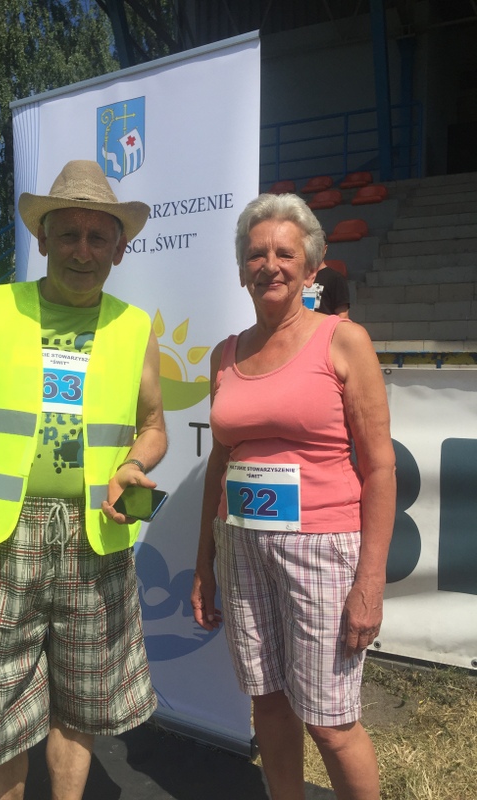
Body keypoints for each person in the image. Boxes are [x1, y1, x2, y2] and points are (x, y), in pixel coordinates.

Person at [0, 160, 167, 800]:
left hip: (94, 536)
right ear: (42, 238)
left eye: (98, 236)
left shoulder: (135, 327)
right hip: (1, 536)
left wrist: (135, 464)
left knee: (81, 697)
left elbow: (154, 426)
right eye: (68, 234)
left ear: (119, 248)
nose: (83, 250)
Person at [191, 192, 395, 800]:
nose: (270, 265)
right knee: (269, 704)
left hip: (322, 549)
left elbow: (380, 467)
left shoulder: (343, 340)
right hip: (241, 547)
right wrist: (204, 562)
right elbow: (220, 462)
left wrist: (370, 582)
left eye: (285, 253)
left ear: (311, 269)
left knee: (331, 724)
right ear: (242, 270)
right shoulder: (225, 354)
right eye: (257, 254)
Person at [312, 247, 350, 317]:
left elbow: (342, 315)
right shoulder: (297, 277)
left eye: (317, 246)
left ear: (324, 249)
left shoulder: (336, 278)